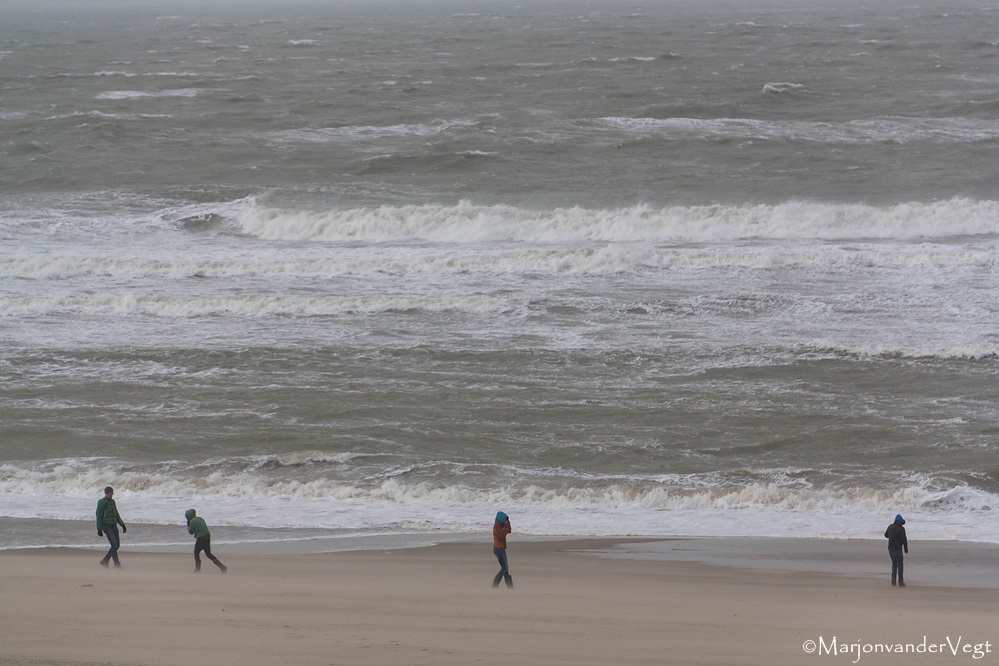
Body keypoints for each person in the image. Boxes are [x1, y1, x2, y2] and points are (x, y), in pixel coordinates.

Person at [185, 509, 227, 574]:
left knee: (196, 553)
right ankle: (222, 567)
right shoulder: (200, 518)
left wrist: (188, 525)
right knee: (208, 554)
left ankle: (197, 570)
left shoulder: (192, 521)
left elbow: (191, 532)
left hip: (201, 538)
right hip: (207, 536)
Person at [96, 485, 126, 568]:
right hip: (106, 526)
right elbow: (99, 516)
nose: (112, 494)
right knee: (114, 545)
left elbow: (116, 514)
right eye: (111, 492)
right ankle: (114, 563)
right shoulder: (101, 502)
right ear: (107, 493)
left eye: (112, 492)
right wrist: (99, 529)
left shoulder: (113, 502)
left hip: (113, 526)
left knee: (117, 545)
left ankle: (107, 561)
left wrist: (122, 524)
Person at [884, 513, 909, 587]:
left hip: (890, 549)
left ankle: (893, 581)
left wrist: (891, 536)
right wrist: (905, 548)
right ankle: (900, 581)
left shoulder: (890, 527)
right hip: (898, 549)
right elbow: (904, 539)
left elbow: (886, 535)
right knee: (900, 565)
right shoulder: (901, 529)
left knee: (894, 564)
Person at [492, 511, 513, 589]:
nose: (505, 520)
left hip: (501, 548)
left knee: (506, 569)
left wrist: (508, 524)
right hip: (498, 549)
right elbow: (501, 537)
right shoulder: (497, 527)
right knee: (504, 568)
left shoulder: (502, 525)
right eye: (504, 519)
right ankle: (495, 585)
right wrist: (505, 528)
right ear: (500, 519)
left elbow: (509, 531)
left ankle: (510, 587)